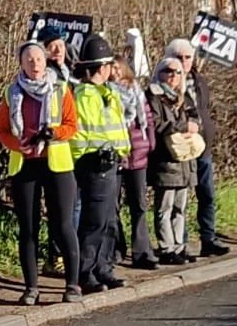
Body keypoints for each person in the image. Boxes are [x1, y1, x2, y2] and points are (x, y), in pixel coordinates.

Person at [0, 41, 82, 305]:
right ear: (20, 63)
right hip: (25, 164)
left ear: (46, 62)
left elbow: (72, 125)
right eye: (29, 60)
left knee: (63, 224)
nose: (35, 65)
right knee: (28, 228)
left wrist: (54, 133)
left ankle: (72, 284)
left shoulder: (60, 88)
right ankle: (31, 287)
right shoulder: (11, 93)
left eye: (39, 60)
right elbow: (1, 130)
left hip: (56, 163)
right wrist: (16, 144)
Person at [70, 33, 131, 297]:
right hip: (95, 162)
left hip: (112, 161)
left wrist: (123, 150)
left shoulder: (107, 92)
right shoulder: (86, 94)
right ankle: (86, 272)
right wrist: (94, 154)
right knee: (94, 221)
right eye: (108, 65)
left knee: (108, 220)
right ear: (101, 67)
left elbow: (117, 127)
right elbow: (85, 130)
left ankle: (103, 267)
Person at [164, 38, 230, 259]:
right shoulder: (166, 82)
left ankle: (208, 238)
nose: (184, 62)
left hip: (203, 146)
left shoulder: (199, 81)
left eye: (187, 57)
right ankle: (179, 243)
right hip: (181, 148)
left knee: (207, 194)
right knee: (178, 201)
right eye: (179, 57)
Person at [148, 57, 200, 264]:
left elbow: (196, 117)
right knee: (165, 207)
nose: (173, 76)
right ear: (160, 73)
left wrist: (194, 124)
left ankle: (179, 246)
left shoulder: (184, 96)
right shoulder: (154, 96)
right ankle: (166, 248)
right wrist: (182, 126)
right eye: (169, 71)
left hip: (186, 160)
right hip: (166, 160)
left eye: (178, 72)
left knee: (181, 207)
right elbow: (157, 124)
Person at [108, 59, 158, 271]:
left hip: (137, 154)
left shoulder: (136, 91)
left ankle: (142, 250)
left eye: (118, 68)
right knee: (113, 205)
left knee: (138, 204)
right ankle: (116, 247)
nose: (116, 72)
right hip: (117, 155)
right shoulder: (107, 92)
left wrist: (149, 144)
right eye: (112, 68)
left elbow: (147, 119)